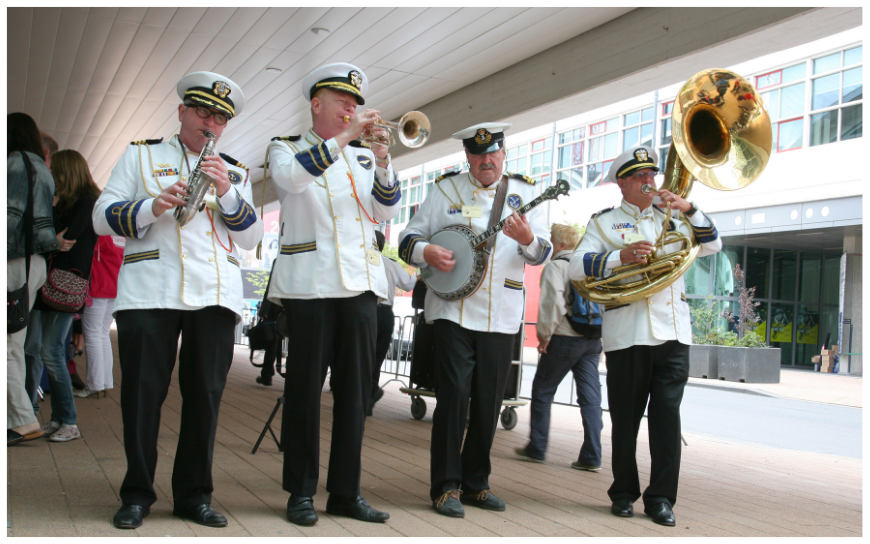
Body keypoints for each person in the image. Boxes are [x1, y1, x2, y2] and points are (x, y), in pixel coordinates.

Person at [93, 71, 262, 530]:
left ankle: (194, 495)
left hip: (214, 295)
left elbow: (251, 238)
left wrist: (226, 190)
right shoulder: (141, 155)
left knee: (205, 398)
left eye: (220, 118)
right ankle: (136, 494)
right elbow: (100, 217)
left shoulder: (236, 170)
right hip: (151, 290)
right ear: (182, 111)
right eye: (203, 112)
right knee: (143, 396)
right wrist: (152, 206)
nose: (211, 123)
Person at [266, 62, 399, 526]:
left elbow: (385, 208)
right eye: (343, 100)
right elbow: (292, 180)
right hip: (310, 286)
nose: (352, 108)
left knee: (356, 393)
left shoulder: (363, 156)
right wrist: (345, 140)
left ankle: (345, 491)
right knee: (303, 391)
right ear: (316, 104)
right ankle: (300, 492)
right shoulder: (286, 147)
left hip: (360, 287)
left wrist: (382, 159)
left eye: (356, 102)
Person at [398, 122, 551, 518]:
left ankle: (476, 484)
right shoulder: (445, 190)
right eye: (478, 155)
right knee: (451, 401)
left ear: (504, 153)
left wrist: (528, 240)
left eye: (493, 154)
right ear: (467, 156)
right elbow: (407, 238)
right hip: (452, 312)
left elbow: (544, 252)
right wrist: (426, 251)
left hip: (500, 315)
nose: (487, 161)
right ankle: (445, 487)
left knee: (487, 404)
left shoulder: (529, 192)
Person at [568, 146, 722, 527]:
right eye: (639, 176)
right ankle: (623, 493)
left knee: (667, 419)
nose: (649, 181)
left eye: (651, 174)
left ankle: (662, 499)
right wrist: (620, 257)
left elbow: (714, 243)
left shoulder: (673, 217)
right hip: (629, 335)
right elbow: (574, 266)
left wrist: (689, 208)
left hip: (673, 333)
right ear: (622, 183)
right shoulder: (604, 223)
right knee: (626, 418)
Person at [24, 149, 100, 443]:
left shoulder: (86, 201)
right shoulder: (68, 201)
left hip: (63, 286)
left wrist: (52, 240)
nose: (51, 173)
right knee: (39, 349)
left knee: (51, 351)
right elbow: (51, 239)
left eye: (56, 169)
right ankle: (54, 418)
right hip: (50, 285)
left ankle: (68, 420)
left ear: (67, 171)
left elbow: (64, 238)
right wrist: (53, 240)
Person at [515, 223, 603, 471]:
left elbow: (553, 302)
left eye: (553, 240)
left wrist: (544, 335)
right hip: (593, 339)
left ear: (562, 245)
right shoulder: (589, 266)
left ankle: (537, 447)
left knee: (543, 390)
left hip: (565, 337)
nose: (551, 244)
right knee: (591, 399)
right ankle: (592, 456)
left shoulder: (556, 266)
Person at [7, 113, 58, 446]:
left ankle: (23, 419)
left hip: (11, 262)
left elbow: (9, 218)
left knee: (8, 347)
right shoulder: (42, 169)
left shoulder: (12, 165)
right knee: (14, 343)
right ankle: (19, 417)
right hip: (32, 264)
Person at [368, 230, 416, 416]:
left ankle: (367, 394)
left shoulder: (364, 262)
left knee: (362, 356)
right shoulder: (389, 263)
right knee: (378, 357)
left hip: (367, 312)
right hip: (386, 314)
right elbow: (409, 283)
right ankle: (369, 397)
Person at [74, 234, 125, 398]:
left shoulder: (100, 233)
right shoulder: (122, 234)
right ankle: (105, 383)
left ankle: (94, 384)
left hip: (97, 287)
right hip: (115, 287)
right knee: (102, 334)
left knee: (92, 335)